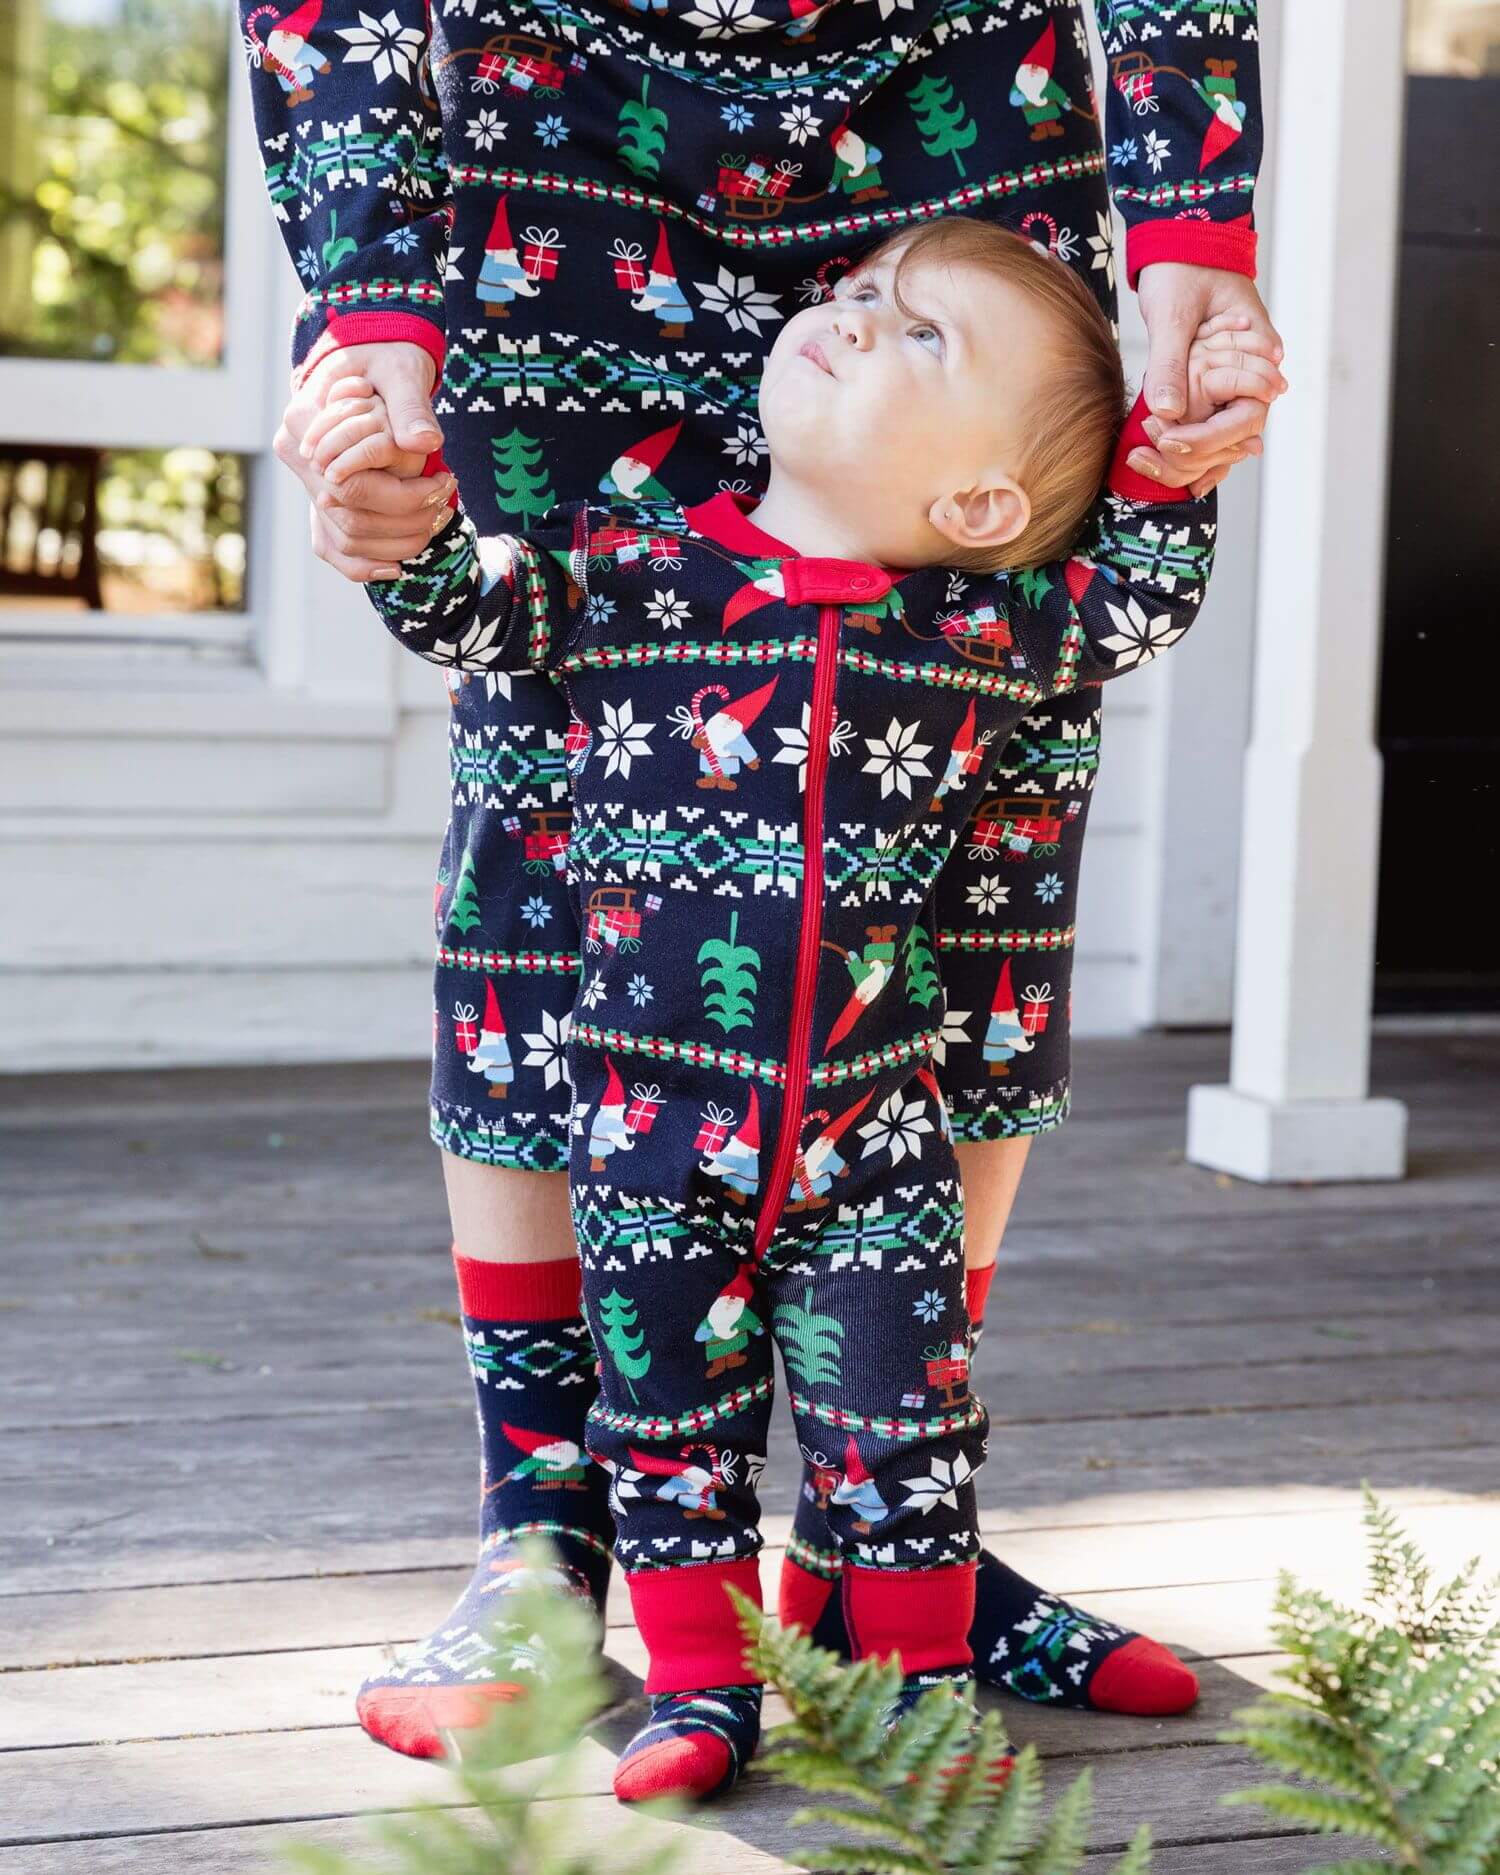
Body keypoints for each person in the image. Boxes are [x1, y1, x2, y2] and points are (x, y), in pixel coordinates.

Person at [239, 0, 1285, 1761]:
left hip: (968, 111)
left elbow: (1133, 592)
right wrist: (378, 322)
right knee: (543, 793)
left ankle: (889, 1544)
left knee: (996, 822)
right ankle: (553, 1534)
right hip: (560, 113)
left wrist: (1191, 230)